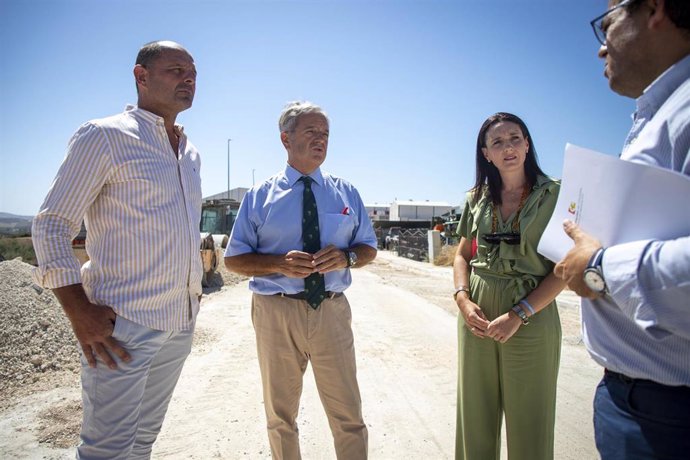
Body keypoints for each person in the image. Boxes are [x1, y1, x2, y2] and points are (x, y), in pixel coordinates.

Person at [32, 40, 201, 459]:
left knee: (142, 443)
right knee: (106, 451)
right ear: (140, 77)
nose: (189, 78)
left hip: (179, 324)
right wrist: (79, 312)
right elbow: (51, 224)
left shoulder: (189, 152)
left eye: (193, 72)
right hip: (123, 327)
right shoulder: (105, 136)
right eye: (176, 70)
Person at [554, 1, 690, 458]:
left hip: (668, 414)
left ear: (654, 9)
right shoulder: (661, 114)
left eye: (606, 23)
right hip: (635, 400)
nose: (599, 49)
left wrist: (598, 268)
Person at [224, 101, 377, 460]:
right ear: (285, 138)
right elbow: (233, 260)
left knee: (349, 415)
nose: (320, 139)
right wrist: (277, 263)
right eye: (311, 132)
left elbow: (368, 247)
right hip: (276, 313)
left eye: (325, 134)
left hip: (332, 313)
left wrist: (347, 257)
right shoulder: (259, 197)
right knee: (280, 416)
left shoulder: (346, 193)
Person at [453, 113, 566, 460]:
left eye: (515, 138)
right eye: (498, 142)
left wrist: (519, 313)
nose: (508, 148)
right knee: (475, 414)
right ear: (486, 153)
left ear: (528, 144)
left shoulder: (556, 195)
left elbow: (563, 268)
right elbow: (462, 255)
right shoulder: (476, 198)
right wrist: (462, 299)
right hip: (477, 314)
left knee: (531, 419)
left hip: (532, 313)